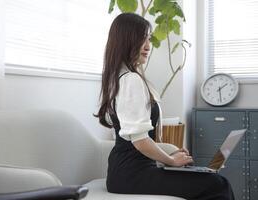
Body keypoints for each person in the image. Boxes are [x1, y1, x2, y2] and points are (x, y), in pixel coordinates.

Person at [94, 13, 235, 200]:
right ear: (126, 40)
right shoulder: (130, 80)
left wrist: (171, 152)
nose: (147, 46)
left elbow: (133, 140)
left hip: (127, 171)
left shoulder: (118, 78)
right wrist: (170, 160)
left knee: (211, 179)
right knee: (217, 184)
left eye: (148, 39)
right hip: (131, 174)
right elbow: (139, 141)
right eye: (141, 39)